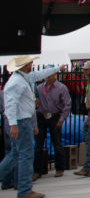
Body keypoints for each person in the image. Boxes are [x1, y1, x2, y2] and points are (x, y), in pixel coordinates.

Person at [0, 55, 58, 198]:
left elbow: (38, 74)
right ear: (25, 66)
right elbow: (10, 104)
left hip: (18, 121)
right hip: (20, 122)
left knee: (14, 154)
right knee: (25, 154)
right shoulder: (17, 82)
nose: (32, 65)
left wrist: (57, 68)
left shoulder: (21, 78)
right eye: (30, 63)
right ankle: (25, 190)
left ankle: (22, 187)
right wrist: (14, 124)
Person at [33, 72, 70, 179]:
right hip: (41, 116)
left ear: (55, 76)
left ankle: (59, 168)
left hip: (54, 116)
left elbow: (67, 105)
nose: (48, 77)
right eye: (47, 75)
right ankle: (37, 170)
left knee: (57, 142)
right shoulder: (39, 88)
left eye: (50, 75)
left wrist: (61, 119)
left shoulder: (61, 88)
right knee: (38, 144)